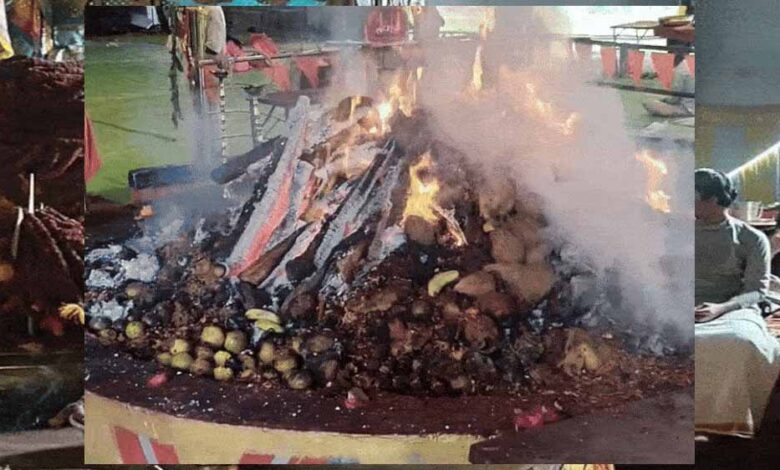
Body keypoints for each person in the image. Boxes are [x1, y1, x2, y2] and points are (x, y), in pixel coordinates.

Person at [695, 168, 770, 322]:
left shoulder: (751, 238)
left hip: (729, 312)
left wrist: (721, 308)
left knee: (738, 335)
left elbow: (756, 291)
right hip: (675, 309)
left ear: (713, 200)